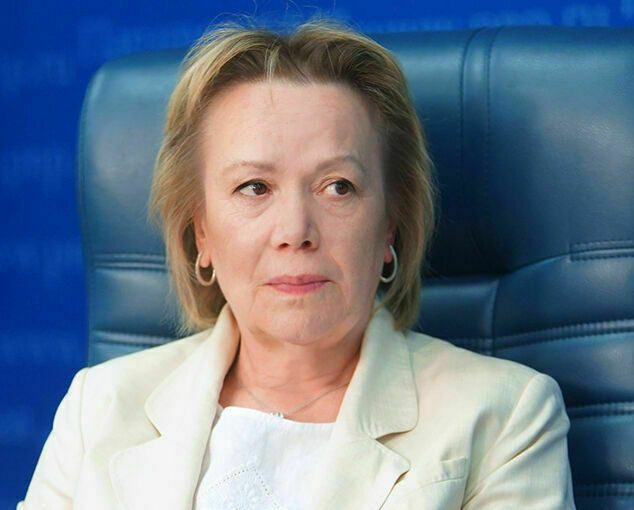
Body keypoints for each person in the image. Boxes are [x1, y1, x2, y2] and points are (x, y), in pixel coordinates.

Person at [18, 18, 576, 510]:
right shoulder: (99, 407)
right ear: (201, 233)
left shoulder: (504, 416)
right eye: (254, 187)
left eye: (338, 186)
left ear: (390, 227)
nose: (295, 231)